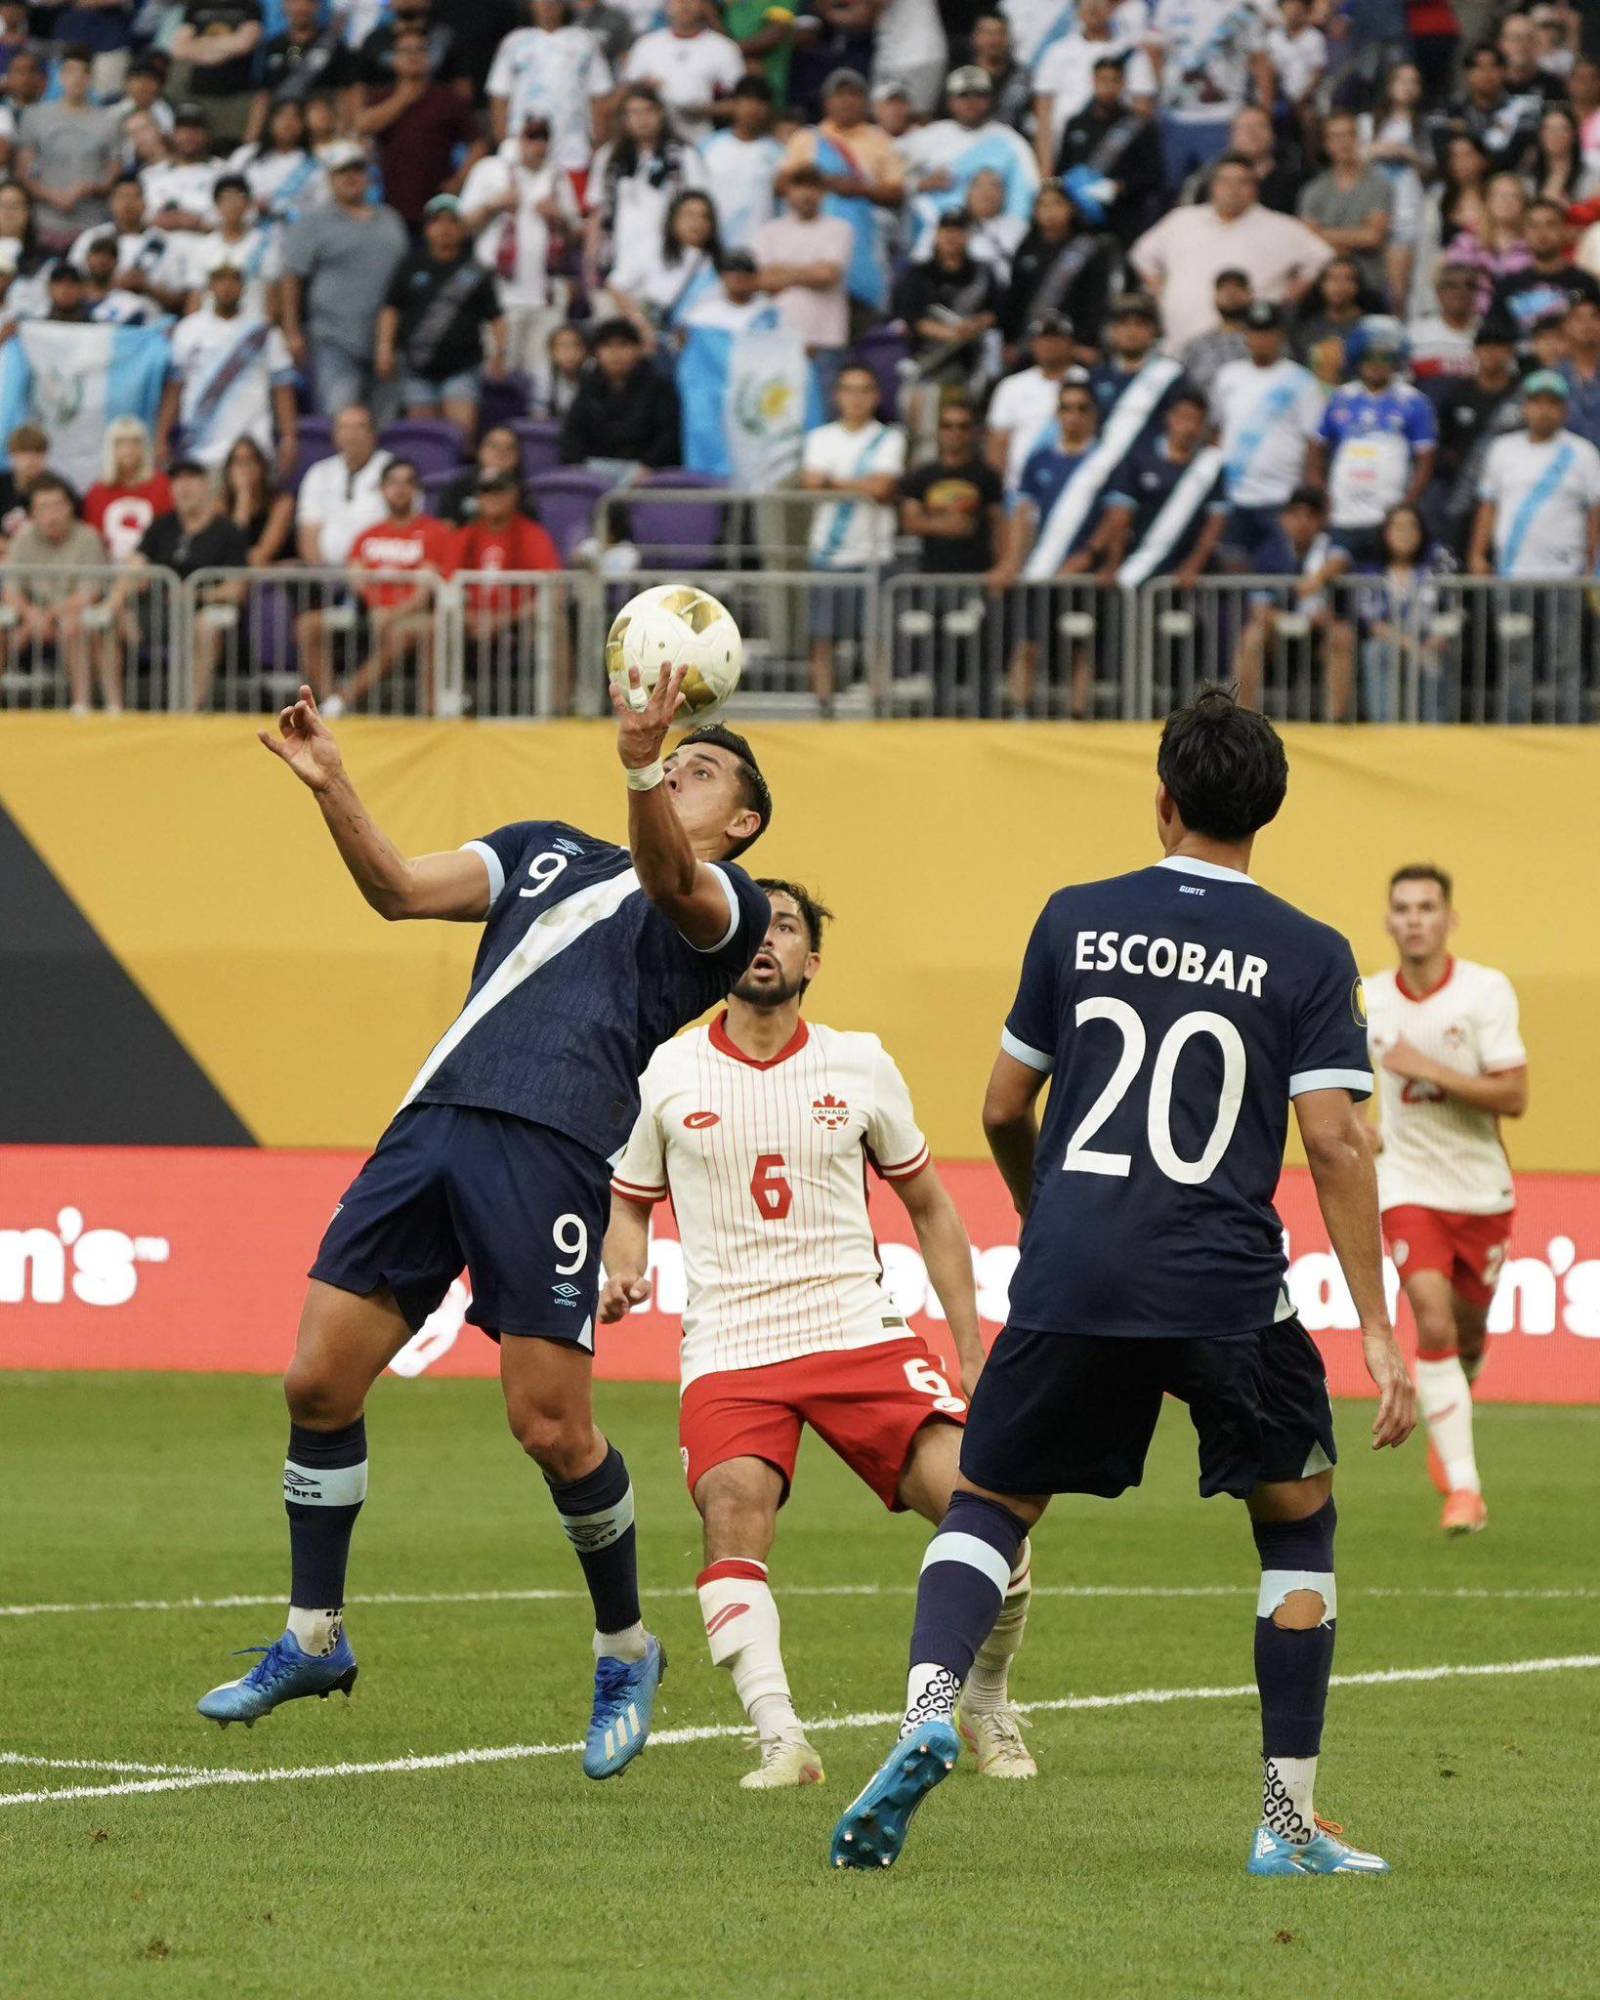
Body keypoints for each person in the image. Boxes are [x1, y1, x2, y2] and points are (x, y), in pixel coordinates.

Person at [829, 686, 1415, 1877]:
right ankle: (1287, 1821)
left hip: (1074, 1264)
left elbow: (1004, 1103)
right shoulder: (1309, 950)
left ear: (1162, 799)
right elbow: (1335, 1140)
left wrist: (1044, 1214)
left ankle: (927, 1708)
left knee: (991, 1501)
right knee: (1296, 1514)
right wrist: (1376, 1325)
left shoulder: (1076, 916)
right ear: (1269, 809)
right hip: (1224, 1282)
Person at [194, 674, 774, 1794]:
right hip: (432, 1123)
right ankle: (314, 1635)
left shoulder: (725, 902)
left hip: (551, 1143)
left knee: (550, 1428)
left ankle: (625, 1647)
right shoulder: (543, 848)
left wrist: (640, 762)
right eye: (674, 760)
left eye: (702, 770)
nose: (678, 771)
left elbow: (666, 874)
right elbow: (400, 889)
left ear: (742, 821)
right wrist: (331, 783)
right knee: (317, 1383)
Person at [602, 881, 1034, 1789]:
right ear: (724, 948)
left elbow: (932, 1208)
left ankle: (988, 1697)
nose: (768, 940)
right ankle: (781, 1738)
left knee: (984, 1504)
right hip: (731, 1344)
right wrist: (624, 1266)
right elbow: (629, 1203)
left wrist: (969, 1347)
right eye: (753, 925)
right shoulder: (668, 1070)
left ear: (813, 962)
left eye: (787, 927)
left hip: (855, 1330)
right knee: (730, 1511)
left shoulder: (859, 1063)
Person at [1363, 865, 1527, 1535]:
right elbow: (1345, 1089)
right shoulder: (1370, 999)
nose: (1414, 920)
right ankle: (1465, 1490)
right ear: (1389, 921)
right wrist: (1359, 1130)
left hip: (1481, 1190)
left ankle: (1450, 1411)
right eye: (1402, 908)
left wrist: (1426, 1066)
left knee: (1468, 1334)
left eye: (1427, 907)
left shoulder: (1484, 992)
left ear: (1449, 919)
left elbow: (1513, 1095)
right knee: (1431, 1322)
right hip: (1407, 1183)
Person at [1469, 369, 1600, 720]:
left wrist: (1592, 563)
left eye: (1552, 404)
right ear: (1525, 408)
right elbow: (1488, 506)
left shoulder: (1582, 453)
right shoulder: (1502, 450)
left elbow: (1595, 513)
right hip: (1514, 575)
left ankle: (1570, 730)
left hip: (1565, 577)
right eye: (1537, 403)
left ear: (1564, 410)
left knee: (1565, 658)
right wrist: (1477, 554)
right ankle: (1515, 731)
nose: (1544, 411)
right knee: (1515, 656)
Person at [986, 368, 1106, 717]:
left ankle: (1078, 716)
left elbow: (1115, 518)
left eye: (1082, 408)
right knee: (1027, 643)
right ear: (1057, 413)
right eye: (1066, 408)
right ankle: (1019, 714)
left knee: (1081, 647)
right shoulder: (1039, 459)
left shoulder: (1104, 460)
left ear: (1093, 414)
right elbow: (1023, 515)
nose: (1073, 416)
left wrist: (1088, 556)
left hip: (1083, 570)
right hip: (1042, 568)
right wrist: (1013, 560)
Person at [1130, 154, 1333, 354]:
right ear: (1213, 186)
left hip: (1249, 350)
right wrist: (1162, 291)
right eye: (1225, 181)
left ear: (1255, 187)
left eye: (1242, 182)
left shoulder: (1280, 227)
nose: (1233, 189)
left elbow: (1321, 255)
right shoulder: (1183, 220)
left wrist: (1291, 297)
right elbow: (1141, 254)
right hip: (1180, 345)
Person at [314, 459, 457, 717]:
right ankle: (328, 699)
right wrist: (376, 607)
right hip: (369, 612)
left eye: (407, 483)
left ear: (417, 490)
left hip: (412, 615)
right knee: (308, 626)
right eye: (393, 483)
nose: (400, 489)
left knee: (406, 631)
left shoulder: (436, 532)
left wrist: (393, 614)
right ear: (381, 489)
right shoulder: (367, 535)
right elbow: (356, 579)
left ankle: (340, 701)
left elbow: (426, 589)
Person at [107, 456, 251, 709]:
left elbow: (237, 589)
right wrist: (115, 602)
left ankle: (190, 710)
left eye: (191, 479)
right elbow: (135, 565)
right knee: (109, 620)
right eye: (177, 481)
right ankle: (112, 707)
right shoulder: (162, 526)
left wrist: (196, 594)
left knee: (206, 626)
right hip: (159, 612)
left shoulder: (227, 531)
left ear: (206, 485)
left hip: (205, 611)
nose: (183, 487)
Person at [800, 361, 903, 711]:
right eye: (849, 390)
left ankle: (879, 707)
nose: (856, 398)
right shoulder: (820, 438)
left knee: (877, 637)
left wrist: (833, 481)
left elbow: (883, 487)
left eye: (864, 390)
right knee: (822, 636)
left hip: (874, 553)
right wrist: (861, 486)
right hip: (828, 552)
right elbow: (812, 484)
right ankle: (823, 708)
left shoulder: (890, 438)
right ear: (837, 395)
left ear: (876, 396)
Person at [281, 142, 409, 423]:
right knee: (341, 423)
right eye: (343, 172)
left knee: (385, 425)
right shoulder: (312, 222)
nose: (352, 177)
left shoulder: (391, 220)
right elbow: (292, 279)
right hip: (334, 340)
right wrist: (292, 331)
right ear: (330, 178)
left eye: (358, 170)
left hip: (387, 344)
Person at [460, 115, 582, 384]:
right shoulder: (489, 169)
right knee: (497, 377)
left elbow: (576, 238)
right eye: (530, 137)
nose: (537, 144)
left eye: (543, 137)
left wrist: (560, 217)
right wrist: (492, 205)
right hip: (499, 298)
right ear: (517, 139)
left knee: (543, 380)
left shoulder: (557, 175)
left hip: (546, 296)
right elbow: (462, 227)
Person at [1308, 318, 1437, 570]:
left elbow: (1426, 458)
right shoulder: (1341, 398)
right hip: (1342, 514)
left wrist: (1407, 504)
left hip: (1387, 516)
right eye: (1370, 356)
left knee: (1382, 581)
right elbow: (1316, 447)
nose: (1377, 364)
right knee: (1339, 581)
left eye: (1385, 357)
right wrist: (1321, 493)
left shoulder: (1414, 401)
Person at [377, 195, 506, 443]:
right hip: (417, 368)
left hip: (462, 367)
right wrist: (384, 348)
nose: (445, 228)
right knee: (422, 439)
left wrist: (499, 354)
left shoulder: (475, 270)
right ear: (427, 228)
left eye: (452, 222)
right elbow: (391, 309)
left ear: (462, 228)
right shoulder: (410, 265)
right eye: (437, 221)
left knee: (461, 438)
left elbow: (495, 317)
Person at [780, 68, 906, 317]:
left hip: (863, 242)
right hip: (811, 239)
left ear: (866, 102)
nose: (846, 101)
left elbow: (897, 192)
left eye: (854, 94)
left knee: (862, 313)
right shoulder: (807, 138)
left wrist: (860, 189)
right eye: (839, 94)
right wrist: (821, 182)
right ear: (827, 102)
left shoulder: (881, 141)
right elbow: (781, 183)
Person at [160, 262, 299, 477]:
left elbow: (282, 389)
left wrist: (289, 437)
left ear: (243, 287)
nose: (227, 287)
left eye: (234, 280)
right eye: (220, 280)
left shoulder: (264, 331)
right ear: (210, 286)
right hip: (200, 447)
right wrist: (161, 436)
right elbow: (174, 388)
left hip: (252, 448)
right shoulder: (187, 330)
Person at [1211, 300, 1325, 563]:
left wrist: (1309, 493)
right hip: (1234, 495)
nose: (1261, 339)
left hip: (1282, 496)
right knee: (1232, 570)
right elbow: (1216, 430)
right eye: (1255, 332)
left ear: (1280, 336)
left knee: (1280, 571)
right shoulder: (1228, 376)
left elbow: (1314, 441)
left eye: (1268, 332)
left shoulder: (1302, 381)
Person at [1233, 483, 1356, 719]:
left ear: (1321, 521)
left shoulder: (1330, 546)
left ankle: (1336, 723)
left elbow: (1341, 559)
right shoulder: (1270, 554)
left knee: (1342, 635)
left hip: (1319, 636)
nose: (1303, 522)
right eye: (1296, 515)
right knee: (1252, 637)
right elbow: (1260, 608)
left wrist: (1317, 579)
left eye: (1311, 516)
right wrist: (1289, 620)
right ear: (1284, 519)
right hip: (1280, 636)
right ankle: (1245, 720)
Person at [1087, 386, 1229, 589]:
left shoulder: (1210, 466)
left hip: (1182, 577)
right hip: (1138, 565)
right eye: (1183, 417)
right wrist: (1113, 563)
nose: (1188, 427)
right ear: (1169, 418)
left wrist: (1193, 566)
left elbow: (1215, 523)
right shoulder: (1139, 460)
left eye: (1196, 420)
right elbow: (1120, 515)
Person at [354, 24, 481, 234]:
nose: (413, 56)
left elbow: (478, 143)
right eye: (405, 51)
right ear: (394, 58)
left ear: (429, 57)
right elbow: (362, 125)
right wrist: (404, 98)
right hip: (391, 203)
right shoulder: (381, 96)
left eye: (420, 50)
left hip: (438, 204)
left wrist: (459, 180)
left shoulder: (448, 98)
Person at [1, 472, 110, 712]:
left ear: (70, 507)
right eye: (43, 507)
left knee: (73, 625)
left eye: (57, 505)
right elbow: (11, 589)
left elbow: (90, 593)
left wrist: (48, 615)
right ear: (32, 513)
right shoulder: (23, 538)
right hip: (32, 614)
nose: (52, 514)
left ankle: (82, 705)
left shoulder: (87, 537)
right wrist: (31, 615)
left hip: (71, 613)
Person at [904, 66, 1037, 260]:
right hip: (935, 234)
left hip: (992, 238)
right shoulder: (930, 136)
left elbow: (1027, 193)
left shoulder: (1009, 141)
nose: (971, 102)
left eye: (979, 95)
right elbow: (890, 176)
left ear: (989, 100)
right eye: (963, 95)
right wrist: (922, 184)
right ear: (950, 101)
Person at [584, 86, 707, 294]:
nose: (642, 119)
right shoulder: (608, 157)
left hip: (669, 268)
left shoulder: (685, 156)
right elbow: (597, 214)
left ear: (661, 113)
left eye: (648, 111)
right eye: (634, 112)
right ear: (624, 118)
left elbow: (699, 211)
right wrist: (589, 265)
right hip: (616, 263)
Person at [752, 163, 852, 404]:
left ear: (823, 192)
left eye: (813, 187)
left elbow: (828, 275)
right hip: (777, 338)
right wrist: (810, 270)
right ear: (787, 191)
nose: (806, 194)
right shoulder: (768, 232)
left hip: (825, 340)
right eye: (799, 186)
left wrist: (782, 270)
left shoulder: (839, 229)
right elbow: (762, 280)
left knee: (824, 412)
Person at [1428, 319, 1523, 554]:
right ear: (1475, 351)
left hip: (1511, 491)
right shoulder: (1458, 394)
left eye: (1499, 346)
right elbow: (1443, 442)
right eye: (1485, 345)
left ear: (1510, 352)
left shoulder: (1522, 394)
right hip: (1465, 492)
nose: (1491, 352)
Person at [14, 44, 121, 251]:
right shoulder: (34, 116)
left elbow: (114, 171)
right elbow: (23, 170)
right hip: (44, 224)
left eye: (84, 73)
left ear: (91, 79)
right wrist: (51, 195)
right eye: (71, 71)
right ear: (61, 76)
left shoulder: (109, 121)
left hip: (92, 227)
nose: (77, 78)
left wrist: (90, 187)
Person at [1054, 54, 1165, 251]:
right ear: (1093, 81)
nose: (1108, 87)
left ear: (1123, 84)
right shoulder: (1076, 124)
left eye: (1114, 80)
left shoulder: (1140, 126)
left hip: (1123, 219)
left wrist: (1118, 188)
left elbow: (1154, 176)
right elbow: (1062, 169)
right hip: (1080, 221)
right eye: (1103, 80)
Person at [1031, 0, 1154, 176]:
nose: (1092, 6)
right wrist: (1045, 171)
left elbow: (1142, 113)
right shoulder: (1057, 51)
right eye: (1085, 2)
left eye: (1099, 1)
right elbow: (1043, 117)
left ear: (1112, 8)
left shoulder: (1132, 54)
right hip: (1067, 153)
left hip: (1115, 157)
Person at [1000, 178, 1118, 354]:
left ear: (1072, 208)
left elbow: (1096, 300)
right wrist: (1010, 340)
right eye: (1043, 205)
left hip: (1075, 348)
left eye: (1057, 203)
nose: (1050, 211)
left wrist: (1087, 342)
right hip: (1029, 346)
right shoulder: (1026, 248)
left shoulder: (1090, 248)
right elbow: (1015, 298)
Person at [559, 316, 682, 469]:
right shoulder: (588, 386)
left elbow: (669, 435)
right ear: (596, 352)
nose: (615, 353)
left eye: (623, 345)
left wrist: (649, 466)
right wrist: (576, 465)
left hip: (646, 469)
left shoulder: (660, 387)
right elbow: (572, 432)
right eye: (607, 346)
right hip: (594, 467)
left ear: (638, 349)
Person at [1296, 111, 1392, 305]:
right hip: (1324, 285)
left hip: (1369, 282)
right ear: (1326, 144)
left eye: (1348, 134)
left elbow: (1373, 237)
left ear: (1358, 139)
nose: (1343, 142)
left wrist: (1323, 233)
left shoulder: (1378, 185)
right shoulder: (1314, 189)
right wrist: (1356, 236)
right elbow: (1306, 238)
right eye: (1335, 136)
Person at [901, 397, 1004, 571]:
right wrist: (945, 526)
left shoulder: (987, 475)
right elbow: (909, 521)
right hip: (932, 573)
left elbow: (998, 525)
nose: (955, 432)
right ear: (938, 430)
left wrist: (1001, 566)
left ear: (974, 431)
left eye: (963, 426)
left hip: (977, 572)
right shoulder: (921, 476)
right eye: (947, 426)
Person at [623, 0, 744, 147]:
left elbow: (743, 103)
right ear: (667, 5)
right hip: (656, 144)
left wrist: (704, 109)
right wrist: (645, 89)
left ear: (703, 5)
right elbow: (627, 93)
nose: (684, 5)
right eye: (678, 1)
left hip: (705, 140)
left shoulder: (723, 47)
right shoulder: (646, 45)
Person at [986, 307, 1076, 491]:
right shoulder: (1011, 386)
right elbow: (998, 443)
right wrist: (996, 492)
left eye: (1056, 337)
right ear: (1033, 344)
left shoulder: (1087, 381)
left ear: (1069, 343)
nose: (1049, 344)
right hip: (1019, 488)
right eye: (1043, 338)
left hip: (1072, 488)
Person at [1486, 197, 1600, 341]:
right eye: (1533, 225)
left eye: (1550, 224)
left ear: (1564, 230)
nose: (1541, 233)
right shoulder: (1508, 286)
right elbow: (1494, 335)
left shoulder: (1585, 284)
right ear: (1524, 232)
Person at [295, 405, 393, 573]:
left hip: (378, 573)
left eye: (360, 427)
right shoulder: (318, 472)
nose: (351, 434)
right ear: (335, 435)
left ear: (373, 434)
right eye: (344, 427)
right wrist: (323, 578)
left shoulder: (393, 470)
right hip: (327, 575)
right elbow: (308, 531)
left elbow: (402, 524)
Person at [696, 74, 783, 256]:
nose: (753, 108)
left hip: (761, 251)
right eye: (747, 100)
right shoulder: (708, 147)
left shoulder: (779, 154)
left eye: (760, 102)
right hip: (712, 249)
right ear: (733, 104)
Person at [1427, 42, 1539, 177]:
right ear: (1467, 74)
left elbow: (1512, 156)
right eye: (1479, 67)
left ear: (1503, 72)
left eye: (1493, 66)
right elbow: (1443, 154)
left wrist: (1467, 131)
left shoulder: (1522, 110)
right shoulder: (1447, 110)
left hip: (1507, 180)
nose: (1487, 74)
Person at [178, 171, 280, 318]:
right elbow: (195, 299)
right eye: (226, 199)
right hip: (211, 325)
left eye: (238, 198)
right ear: (217, 206)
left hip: (252, 324)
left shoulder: (265, 244)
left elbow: (273, 295)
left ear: (248, 204)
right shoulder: (202, 247)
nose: (232, 205)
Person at [248, 0, 351, 141]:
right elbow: (264, 96)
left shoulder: (335, 46)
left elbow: (344, 93)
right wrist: (252, 137)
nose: (301, 8)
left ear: (317, 6)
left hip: (321, 130)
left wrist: (343, 131)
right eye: (294, 2)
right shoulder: (274, 46)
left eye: (307, 2)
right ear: (284, 5)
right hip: (282, 131)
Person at [172, 0, 265, 147]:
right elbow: (180, 49)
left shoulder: (249, 6)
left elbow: (244, 44)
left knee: (232, 147)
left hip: (236, 95)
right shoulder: (196, 5)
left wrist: (201, 45)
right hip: (199, 93)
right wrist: (228, 46)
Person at [83, 417, 173, 564]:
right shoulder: (97, 492)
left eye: (135, 442)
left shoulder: (162, 485)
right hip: (107, 567)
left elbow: (169, 532)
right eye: (120, 443)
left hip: (153, 566)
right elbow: (94, 538)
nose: (128, 449)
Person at [1408, 262, 1481, 400]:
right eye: (1451, 286)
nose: (1462, 292)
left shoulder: (1489, 334)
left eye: (1470, 285)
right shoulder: (1416, 334)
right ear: (1438, 292)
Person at [221, 433, 296, 568]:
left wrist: (244, 495)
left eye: (250, 460)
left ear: (262, 466)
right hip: (240, 575)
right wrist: (242, 499)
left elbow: (262, 554)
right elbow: (228, 554)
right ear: (228, 470)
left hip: (273, 578)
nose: (244, 468)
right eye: (237, 462)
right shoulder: (221, 505)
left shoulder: (281, 503)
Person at [1178, 268, 1253, 400]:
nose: (1231, 294)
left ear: (1250, 295)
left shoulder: (1267, 341)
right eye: (1224, 289)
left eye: (1237, 287)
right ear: (1215, 297)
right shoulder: (1197, 346)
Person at [437, 424, 534, 524]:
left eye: (509, 448)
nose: (501, 453)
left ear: (518, 457)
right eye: (494, 446)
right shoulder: (457, 487)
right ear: (480, 451)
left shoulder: (524, 495)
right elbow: (445, 528)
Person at [1558, 294, 1600, 447]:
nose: (1587, 324)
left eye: (1594, 317)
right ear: (1566, 325)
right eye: (1578, 318)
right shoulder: (1552, 376)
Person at [0, 421, 48, 547]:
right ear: (12, 455)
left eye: (38, 452)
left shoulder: (56, 488)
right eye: (24, 452)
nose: (31, 460)